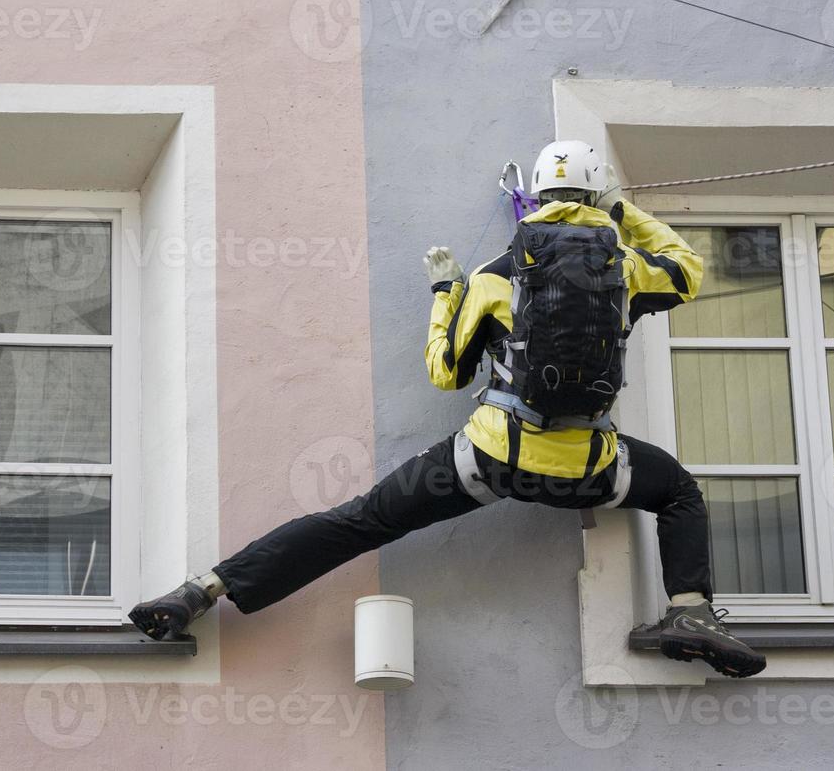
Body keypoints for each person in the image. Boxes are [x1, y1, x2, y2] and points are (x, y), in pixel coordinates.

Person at [129, 140, 767, 678]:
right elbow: (687, 267)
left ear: (536, 196)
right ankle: (690, 610)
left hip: (487, 462)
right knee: (678, 491)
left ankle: (201, 591)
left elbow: (445, 374)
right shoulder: (628, 269)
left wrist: (446, 292)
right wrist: (622, 212)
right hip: (593, 470)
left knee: (360, 522)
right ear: (598, 195)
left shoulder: (494, 276)